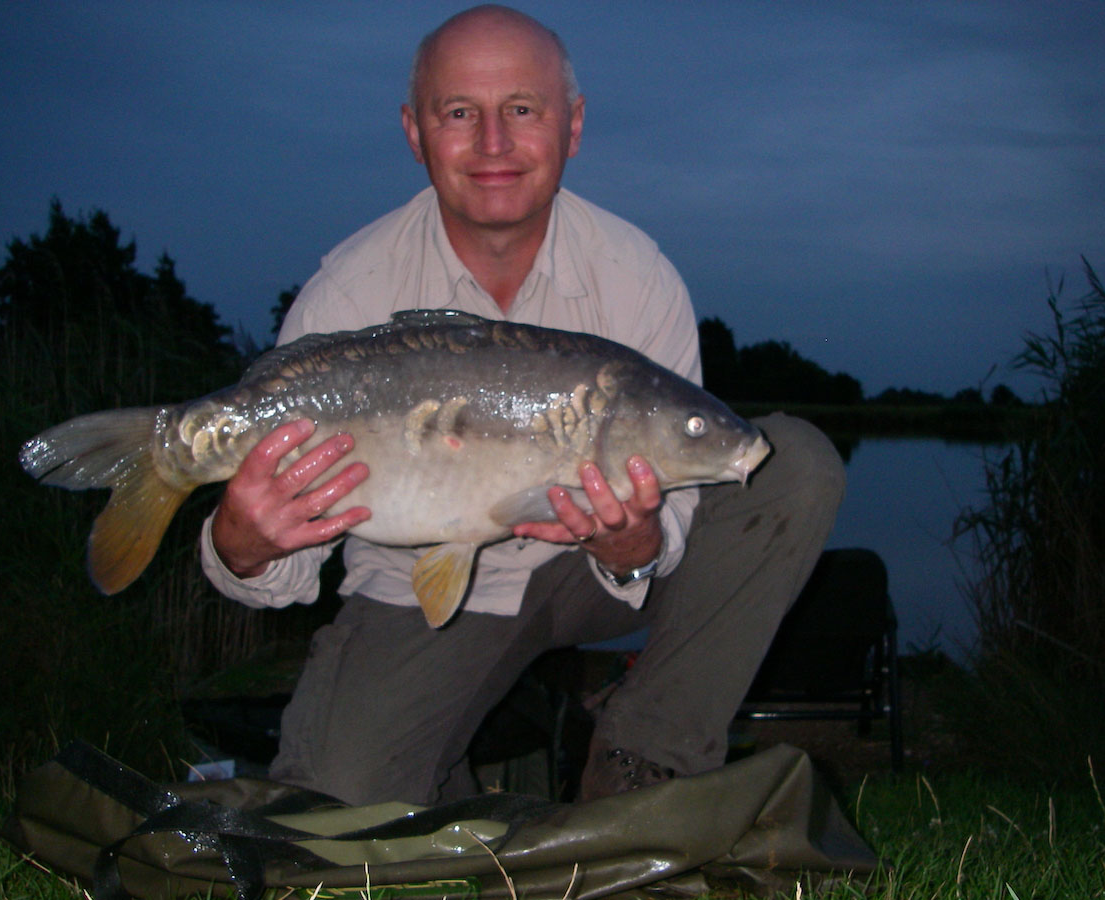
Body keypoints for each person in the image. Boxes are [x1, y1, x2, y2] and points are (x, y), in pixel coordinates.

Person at [200, 4, 844, 805]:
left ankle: (643, 758)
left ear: (571, 127)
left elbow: (670, 534)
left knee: (793, 467)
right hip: (419, 586)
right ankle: (465, 762)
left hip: (592, 572)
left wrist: (632, 543)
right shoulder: (346, 295)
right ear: (415, 131)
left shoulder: (638, 277)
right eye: (461, 112)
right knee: (340, 803)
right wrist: (239, 542)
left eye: (523, 110)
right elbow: (280, 565)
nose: (494, 144)